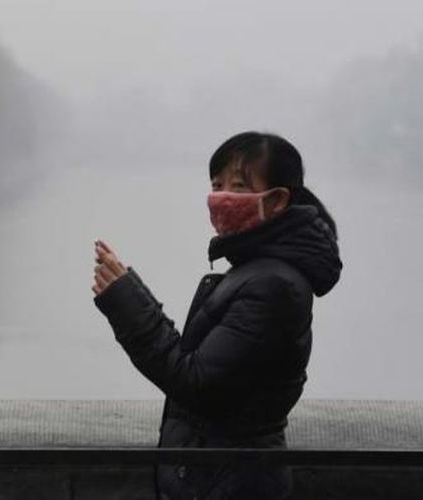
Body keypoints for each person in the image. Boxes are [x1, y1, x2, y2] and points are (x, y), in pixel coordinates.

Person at [91, 131, 343, 499]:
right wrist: (130, 288)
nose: (221, 196)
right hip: (216, 477)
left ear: (276, 200)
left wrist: (126, 301)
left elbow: (195, 383)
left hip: (231, 483)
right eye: (217, 183)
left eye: (238, 185)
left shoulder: (273, 286)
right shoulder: (257, 269)